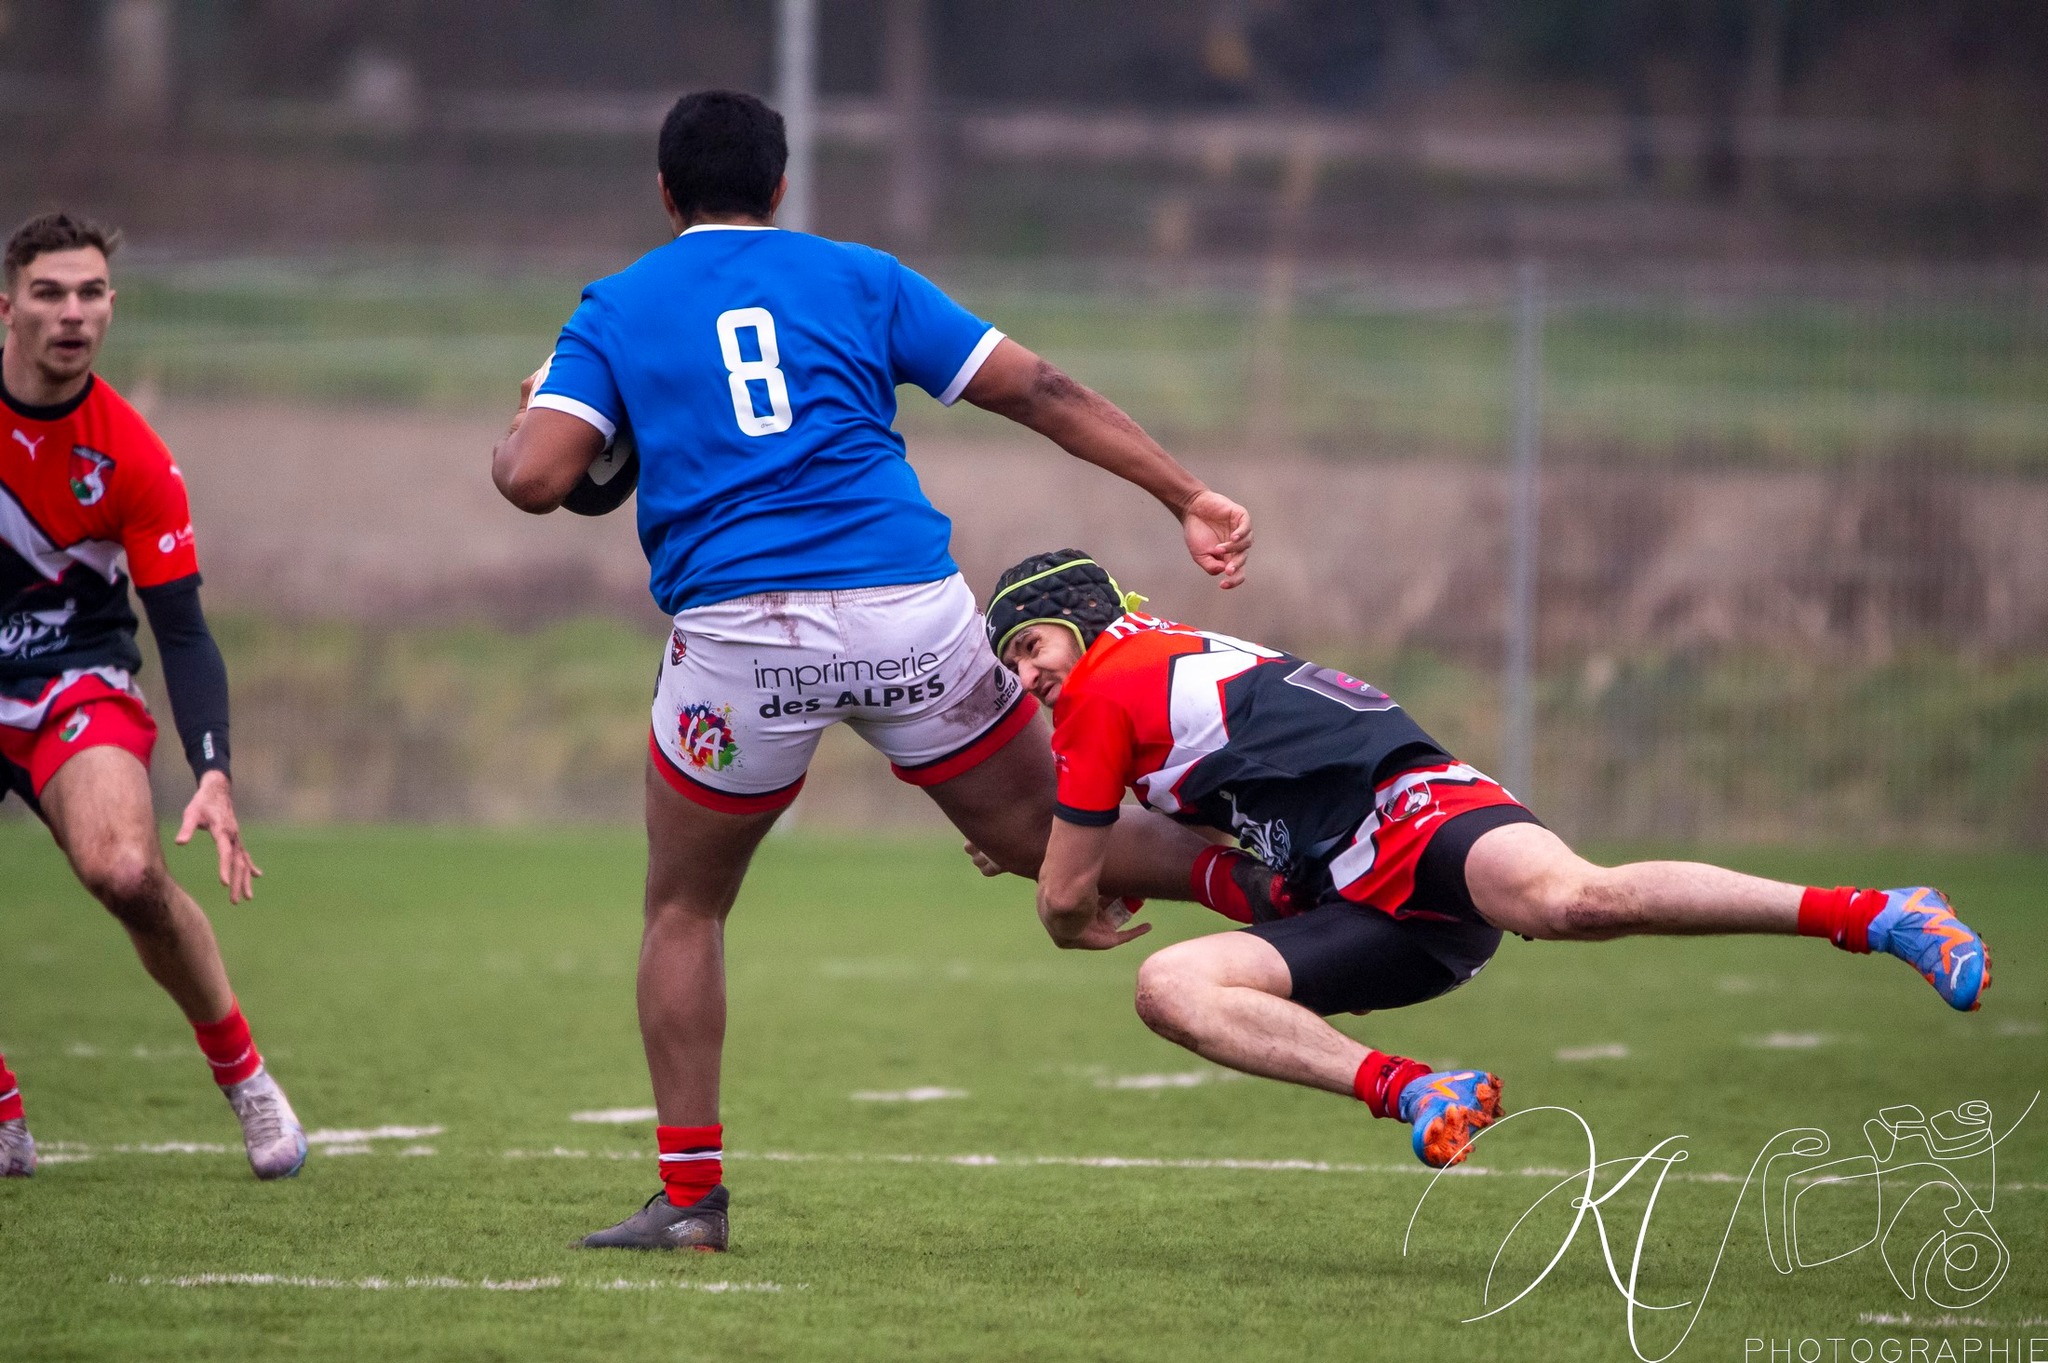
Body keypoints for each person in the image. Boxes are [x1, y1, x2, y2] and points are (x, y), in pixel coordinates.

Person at [490, 91, 1268, 1251]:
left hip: (740, 643)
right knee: (1041, 837)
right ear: (781, 186)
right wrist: (1184, 494)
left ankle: (691, 1202)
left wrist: (530, 423)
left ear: (662, 195)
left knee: (686, 906)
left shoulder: (614, 308)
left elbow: (537, 479)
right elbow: (1039, 390)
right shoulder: (859, 276)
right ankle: (1286, 884)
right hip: (903, 614)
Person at [979, 549, 1993, 1169]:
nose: (1026, 678)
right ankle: (1420, 1091)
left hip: (1412, 812)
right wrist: (1062, 848)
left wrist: (1065, 894)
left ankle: (1877, 912)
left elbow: (1068, 888)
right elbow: (1173, 835)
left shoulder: (1109, 684)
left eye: (1030, 647)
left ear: (1082, 618)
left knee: (1571, 899)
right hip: (1347, 890)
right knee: (1172, 985)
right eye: (1011, 663)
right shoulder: (1142, 672)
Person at [0, 212, 305, 1181]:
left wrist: (212, 770)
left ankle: (246, 1077)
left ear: (112, 308)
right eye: (49, 292)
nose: (72, 313)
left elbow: (180, 629)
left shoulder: (130, 453)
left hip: (71, 682)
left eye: (90, 293)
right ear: (6, 306)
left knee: (127, 873)